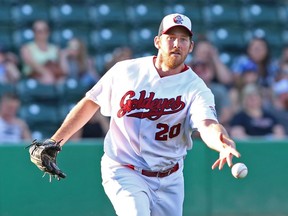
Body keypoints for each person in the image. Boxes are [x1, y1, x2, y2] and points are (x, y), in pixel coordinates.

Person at [39, 14, 241, 216]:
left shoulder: (196, 87)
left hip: (170, 178)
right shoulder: (127, 71)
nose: (176, 44)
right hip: (124, 168)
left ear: (191, 46)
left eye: (183, 39)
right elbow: (91, 102)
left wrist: (221, 142)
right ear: (158, 41)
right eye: (170, 37)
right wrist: (56, 140)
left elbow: (207, 124)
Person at [20, 20, 65, 84]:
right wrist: (46, 73)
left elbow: (64, 70)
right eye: (39, 31)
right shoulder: (26, 48)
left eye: (45, 30)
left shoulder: (55, 49)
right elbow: (32, 64)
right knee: (46, 80)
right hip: (34, 77)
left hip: (54, 76)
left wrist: (64, 56)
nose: (43, 33)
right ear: (34, 32)